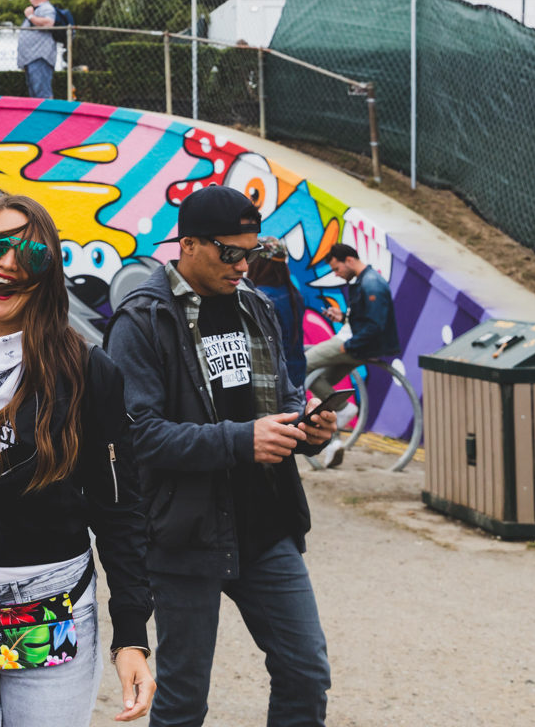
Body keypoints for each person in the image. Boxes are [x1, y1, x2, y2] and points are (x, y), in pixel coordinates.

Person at [105, 186, 338, 727]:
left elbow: (281, 400)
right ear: (187, 244)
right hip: (186, 535)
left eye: (251, 251)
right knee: (184, 699)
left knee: (306, 671)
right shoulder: (143, 321)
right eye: (230, 252)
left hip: (266, 526)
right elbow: (138, 437)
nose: (243, 264)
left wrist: (308, 429)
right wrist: (241, 440)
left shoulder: (257, 306)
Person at [0, 195, 154, 726]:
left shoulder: (89, 372)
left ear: (48, 275)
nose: (8, 264)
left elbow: (120, 510)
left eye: (30, 255)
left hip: (49, 611)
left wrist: (131, 638)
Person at [306, 242, 400, 469]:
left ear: (349, 260)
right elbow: (366, 318)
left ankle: (343, 409)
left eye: (337, 269)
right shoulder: (365, 281)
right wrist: (343, 317)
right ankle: (334, 442)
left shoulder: (372, 284)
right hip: (356, 343)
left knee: (301, 365)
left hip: (353, 346)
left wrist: (348, 346)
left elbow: (375, 326)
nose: (336, 274)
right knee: (323, 382)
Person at [248, 236, 307, 390]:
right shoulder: (293, 293)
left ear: (257, 262)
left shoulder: (261, 298)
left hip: (273, 387)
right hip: (295, 381)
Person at [17, 0, 58, 100]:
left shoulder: (46, 8)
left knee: (42, 94)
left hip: (40, 57)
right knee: (35, 95)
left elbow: (49, 23)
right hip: (31, 58)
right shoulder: (38, 9)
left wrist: (30, 16)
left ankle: (48, 117)